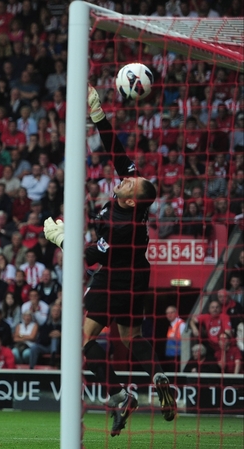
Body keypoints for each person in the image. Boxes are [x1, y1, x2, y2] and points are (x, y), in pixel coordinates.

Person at [43, 86, 175, 436]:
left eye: (130, 182)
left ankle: (119, 394)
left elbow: (89, 256)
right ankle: (158, 373)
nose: (126, 179)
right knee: (131, 336)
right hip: (138, 275)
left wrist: (60, 238)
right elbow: (116, 150)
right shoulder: (132, 203)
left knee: (81, 341)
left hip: (114, 275)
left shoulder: (120, 224)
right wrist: (98, 114)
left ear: (133, 202)